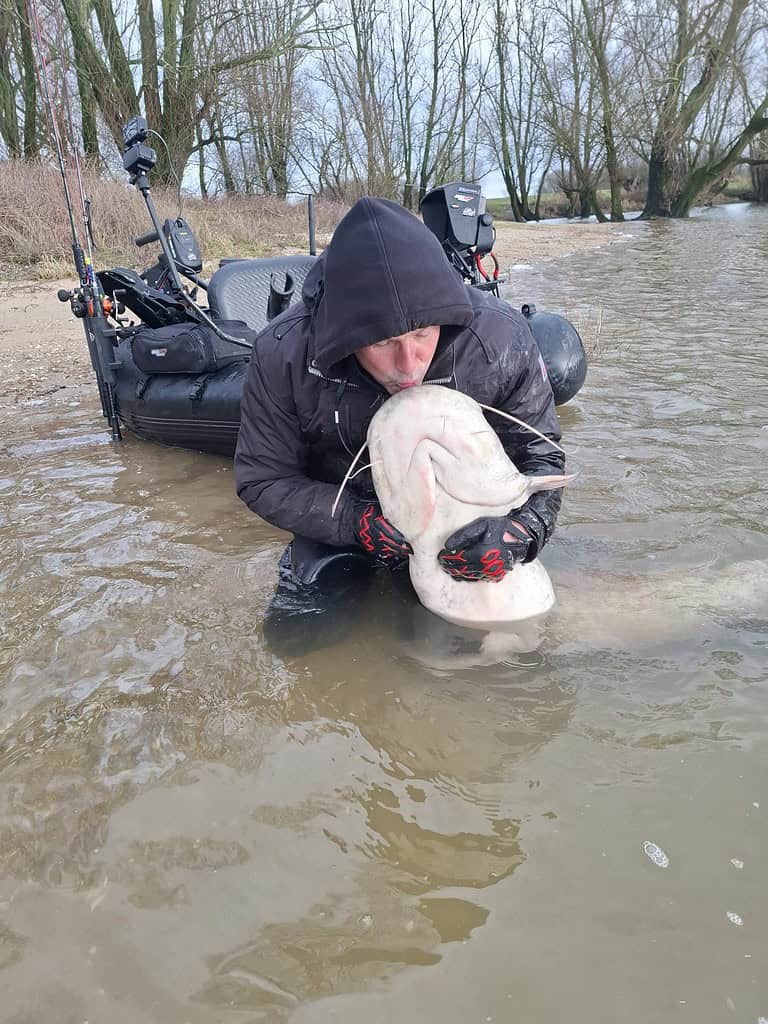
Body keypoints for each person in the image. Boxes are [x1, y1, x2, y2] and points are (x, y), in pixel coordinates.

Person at [234, 197, 565, 653]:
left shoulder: (498, 337)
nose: (408, 364)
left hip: (464, 527)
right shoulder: (282, 353)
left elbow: (542, 456)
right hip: (343, 516)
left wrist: (522, 532)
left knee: (522, 660)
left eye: (422, 335)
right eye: (384, 343)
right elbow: (262, 479)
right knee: (296, 646)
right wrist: (355, 521)